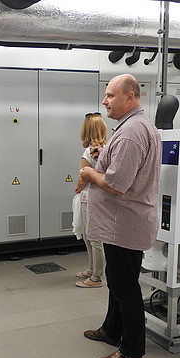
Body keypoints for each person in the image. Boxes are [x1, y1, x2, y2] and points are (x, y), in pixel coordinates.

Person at [81, 74, 161, 358]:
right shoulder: (133, 127)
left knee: (125, 287)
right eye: (106, 95)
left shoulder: (131, 132)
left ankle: (131, 349)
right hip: (120, 224)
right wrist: (105, 156)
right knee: (116, 281)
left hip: (124, 224)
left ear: (130, 97)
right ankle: (112, 330)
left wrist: (90, 173)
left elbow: (116, 185)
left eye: (110, 96)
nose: (105, 101)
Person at [74, 112, 108, 288]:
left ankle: (96, 277)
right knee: (91, 237)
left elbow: (83, 177)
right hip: (101, 197)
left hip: (89, 198)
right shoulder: (107, 149)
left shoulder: (89, 151)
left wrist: (78, 188)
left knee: (93, 239)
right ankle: (92, 269)